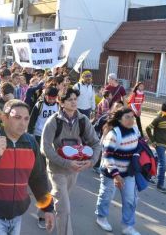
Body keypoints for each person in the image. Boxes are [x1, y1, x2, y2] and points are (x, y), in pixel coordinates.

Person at [0, 99, 55, 234]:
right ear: (5, 118)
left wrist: (47, 209)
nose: (23, 123)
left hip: (17, 214)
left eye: (26, 119)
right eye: (17, 118)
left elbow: (38, 178)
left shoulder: (31, 143)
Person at [41, 87, 101, 235]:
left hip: (75, 170)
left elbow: (96, 143)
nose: (74, 102)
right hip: (57, 170)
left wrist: (92, 161)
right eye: (70, 100)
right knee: (64, 208)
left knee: (60, 198)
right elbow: (45, 148)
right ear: (61, 102)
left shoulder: (83, 120)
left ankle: (43, 210)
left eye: (75, 99)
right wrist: (66, 163)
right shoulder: (53, 121)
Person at [95, 107, 141, 235]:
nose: (131, 119)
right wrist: (116, 175)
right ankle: (101, 217)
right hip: (111, 173)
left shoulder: (135, 130)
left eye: (132, 117)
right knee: (106, 196)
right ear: (119, 119)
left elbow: (138, 147)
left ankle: (128, 226)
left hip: (128, 173)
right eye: (127, 117)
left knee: (130, 199)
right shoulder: (113, 134)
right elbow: (107, 156)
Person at [146, 102, 166, 193]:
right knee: (163, 164)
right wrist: (153, 141)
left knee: (155, 159)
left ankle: (148, 176)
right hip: (159, 144)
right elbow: (147, 128)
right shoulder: (158, 118)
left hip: (164, 144)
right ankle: (160, 184)